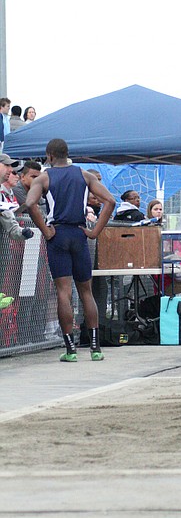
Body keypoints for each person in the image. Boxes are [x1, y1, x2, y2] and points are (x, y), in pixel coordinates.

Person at [26, 138, 115, 362]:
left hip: (58, 235)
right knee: (86, 290)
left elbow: (29, 203)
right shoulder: (85, 175)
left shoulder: (45, 177)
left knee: (63, 292)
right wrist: (95, 232)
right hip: (79, 233)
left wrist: (45, 231)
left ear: (49, 156)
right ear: (67, 154)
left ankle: (70, 350)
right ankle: (95, 348)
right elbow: (110, 201)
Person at [0, 153, 34, 242]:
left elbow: (11, 225)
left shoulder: (1, 196)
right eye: (7, 165)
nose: (10, 169)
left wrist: (23, 233)